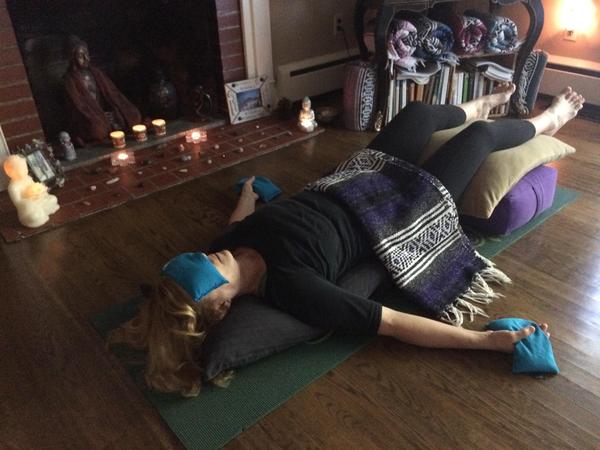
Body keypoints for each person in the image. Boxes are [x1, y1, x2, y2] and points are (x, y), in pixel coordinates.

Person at [109, 85, 584, 397]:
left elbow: (237, 220)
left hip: (351, 179)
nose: (205, 256)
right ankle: (548, 120)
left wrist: (249, 193)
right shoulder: (291, 286)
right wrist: (486, 343)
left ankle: (474, 104)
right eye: (205, 269)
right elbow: (392, 322)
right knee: (478, 137)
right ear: (222, 306)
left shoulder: (232, 244)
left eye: (193, 257)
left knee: (418, 112)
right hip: (399, 210)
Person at [63, 38, 141, 146]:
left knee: (134, 115)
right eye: (81, 56)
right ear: (72, 58)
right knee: (96, 130)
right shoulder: (69, 80)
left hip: (106, 112)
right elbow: (78, 106)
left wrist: (114, 109)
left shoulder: (96, 72)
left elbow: (113, 93)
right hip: (91, 116)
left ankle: (112, 124)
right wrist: (100, 116)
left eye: (87, 54)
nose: (86, 58)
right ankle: (109, 127)